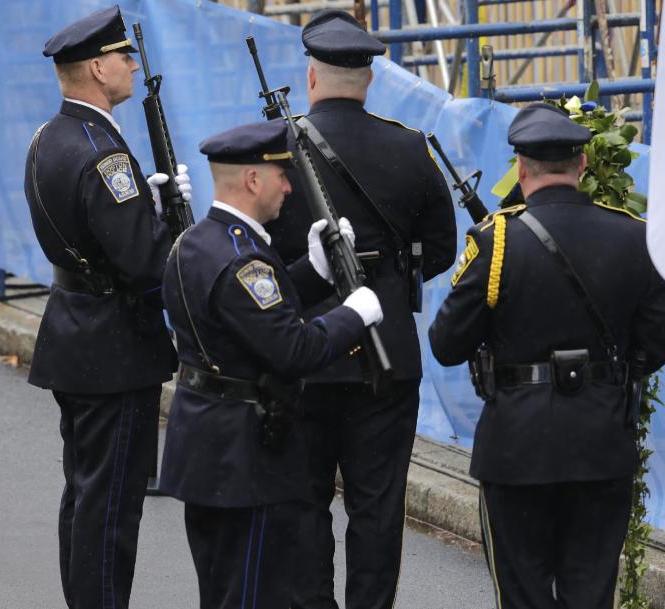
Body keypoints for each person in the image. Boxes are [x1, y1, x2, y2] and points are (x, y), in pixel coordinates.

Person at [429, 102, 665, 608]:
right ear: (582, 165)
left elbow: (447, 344)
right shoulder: (634, 235)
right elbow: (658, 340)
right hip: (602, 443)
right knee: (589, 592)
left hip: (517, 449)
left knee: (524, 595)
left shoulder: (495, 242)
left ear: (520, 167)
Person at [263, 10, 457, 609]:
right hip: (387, 358)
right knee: (377, 510)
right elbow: (441, 251)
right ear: (369, 79)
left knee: (303, 503)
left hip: (303, 351)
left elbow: (259, 258)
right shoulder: (408, 146)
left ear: (311, 78)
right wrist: (388, 282)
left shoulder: (275, 151)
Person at [159, 118, 384, 609]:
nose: (288, 186)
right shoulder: (245, 258)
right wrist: (354, 314)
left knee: (223, 590)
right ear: (253, 180)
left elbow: (246, 321)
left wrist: (314, 273)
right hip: (244, 458)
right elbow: (291, 349)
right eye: (280, 174)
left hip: (207, 446)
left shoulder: (197, 242)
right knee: (252, 594)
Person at [23, 6, 191, 609]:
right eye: (124, 55)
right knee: (111, 505)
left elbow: (81, 229)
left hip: (74, 330)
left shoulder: (51, 136)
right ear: (97, 67)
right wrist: (172, 230)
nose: (132, 63)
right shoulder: (105, 154)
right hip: (114, 345)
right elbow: (146, 264)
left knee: (85, 493)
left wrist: (142, 206)